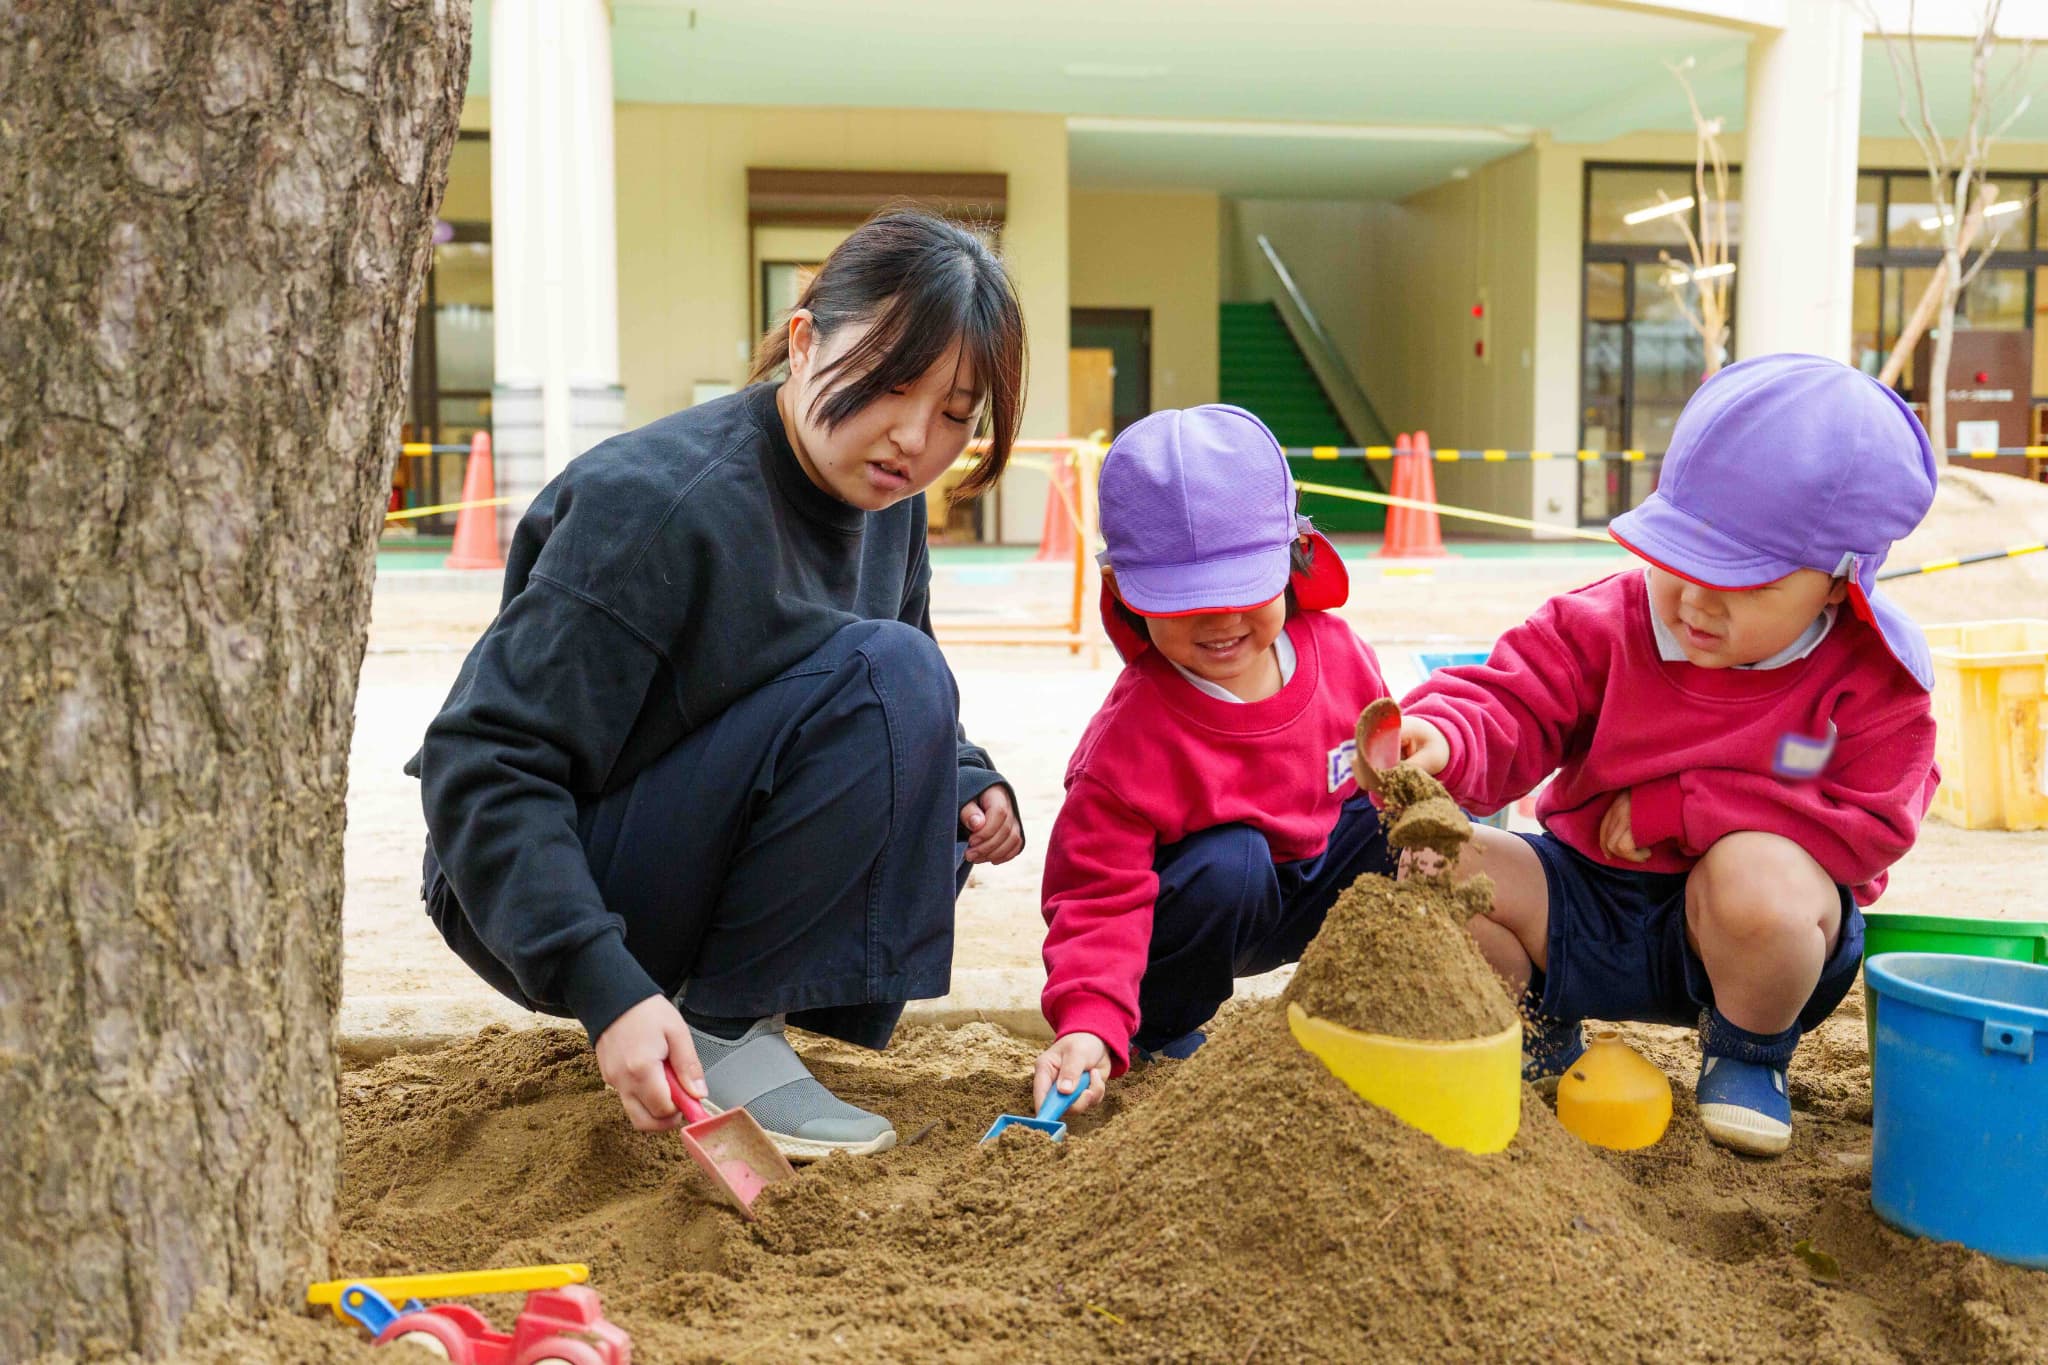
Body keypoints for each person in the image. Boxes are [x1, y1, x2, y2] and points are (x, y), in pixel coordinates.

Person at [409, 211, 1028, 1160]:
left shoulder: (885, 504)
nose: (915, 437)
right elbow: (482, 760)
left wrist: (965, 777)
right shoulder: (660, 504)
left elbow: (875, 662)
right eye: (893, 384)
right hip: (542, 876)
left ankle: (738, 1012)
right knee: (894, 677)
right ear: (805, 338)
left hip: (676, 843)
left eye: (956, 412)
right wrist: (601, 980)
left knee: (912, 705)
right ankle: (723, 1028)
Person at [1397, 353, 1939, 1156]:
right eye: (1678, 557)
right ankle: (1537, 1035)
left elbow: (1874, 825)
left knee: (1757, 880)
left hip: (1758, 949)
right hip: (1589, 898)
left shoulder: (1871, 680)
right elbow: (1513, 696)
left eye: (1743, 580)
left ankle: (1748, 1052)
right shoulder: (1606, 624)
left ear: (1838, 584)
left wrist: (1681, 809)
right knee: (1438, 868)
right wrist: (1446, 737)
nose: (1694, 599)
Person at [1030, 404, 1395, 1114]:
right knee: (1234, 859)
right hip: (1206, 910)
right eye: (1187, 598)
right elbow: (1098, 895)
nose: (1222, 618)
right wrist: (1088, 1023)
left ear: (1293, 556)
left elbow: (1390, 772)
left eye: (1245, 584)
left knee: (1426, 826)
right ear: (1126, 595)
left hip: (1319, 882)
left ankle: (1389, 1016)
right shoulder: (1132, 738)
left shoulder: (1340, 655)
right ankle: (1160, 1028)